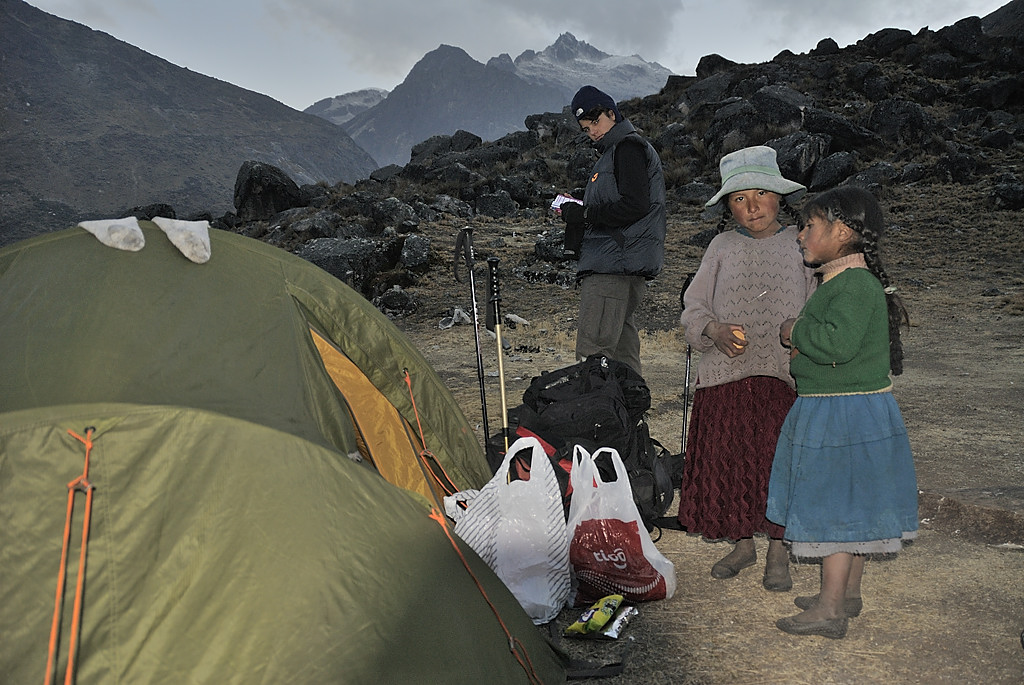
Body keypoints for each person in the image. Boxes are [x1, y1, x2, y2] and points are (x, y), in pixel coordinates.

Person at [768, 185, 918, 639]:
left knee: (836, 508)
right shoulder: (847, 280)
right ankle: (846, 593)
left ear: (842, 231)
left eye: (808, 226)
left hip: (842, 415)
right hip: (850, 410)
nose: (799, 235)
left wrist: (794, 331)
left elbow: (838, 344)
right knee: (854, 505)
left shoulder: (853, 284)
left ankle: (830, 609)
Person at [676, 145, 816, 592]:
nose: (752, 206)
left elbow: (818, 302)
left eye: (760, 193)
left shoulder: (802, 245)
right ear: (728, 207)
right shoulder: (721, 247)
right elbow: (693, 305)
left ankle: (778, 548)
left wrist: (801, 333)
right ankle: (742, 542)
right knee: (733, 459)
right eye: (739, 198)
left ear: (780, 197)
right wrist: (713, 330)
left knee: (777, 462)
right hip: (726, 376)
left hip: (780, 376)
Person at [558, 85, 666, 376]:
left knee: (594, 354)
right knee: (622, 357)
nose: (592, 131)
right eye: (585, 128)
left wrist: (585, 214)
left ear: (612, 113)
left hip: (613, 267)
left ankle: (597, 420)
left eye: (596, 122)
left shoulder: (627, 148)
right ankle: (631, 420)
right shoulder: (616, 152)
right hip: (622, 265)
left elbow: (634, 205)